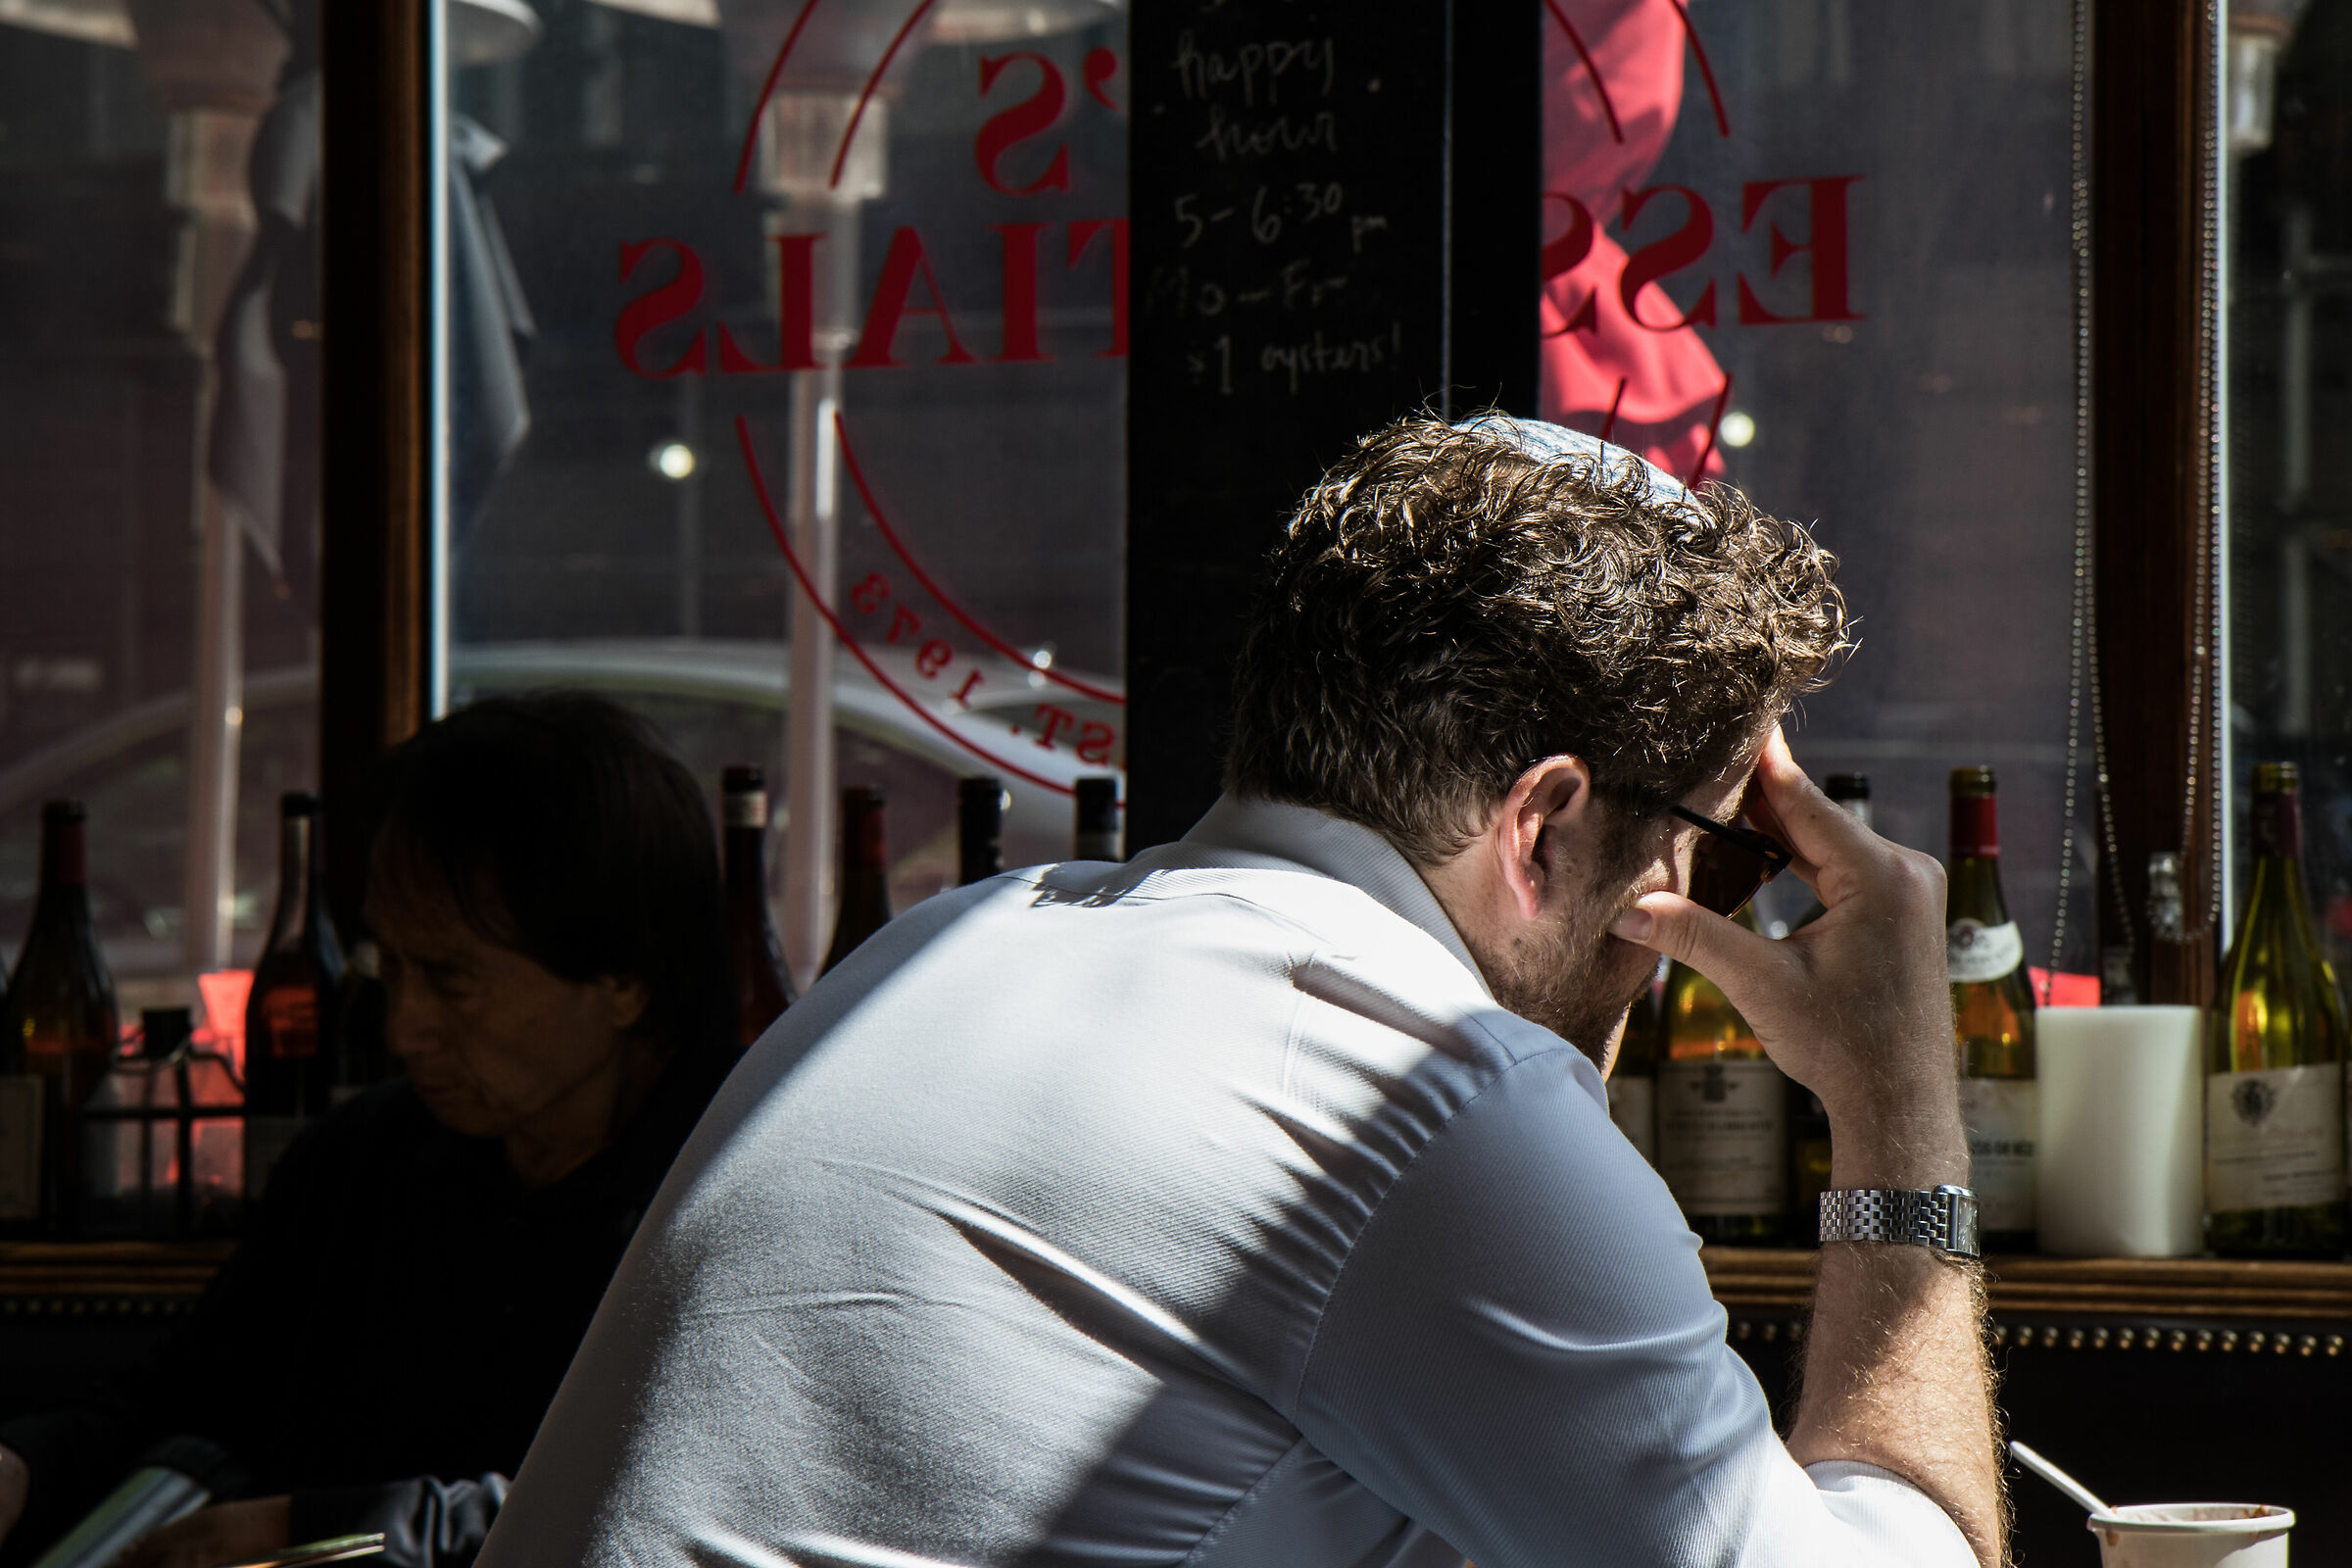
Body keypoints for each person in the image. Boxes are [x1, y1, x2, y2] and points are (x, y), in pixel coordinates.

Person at [473, 416, 2001, 1568]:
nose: (1695, 928)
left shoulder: (947, 946)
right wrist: (1895, 1100)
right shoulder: (1422, 1086)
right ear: (1537, 829)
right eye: (1712, 862)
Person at [0, 694, 741, 1568]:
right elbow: (181, 1398)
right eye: (388, 967)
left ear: (625, 979)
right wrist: (23, 1467)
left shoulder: (732, 1204)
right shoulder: (358, 1163)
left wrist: (315, 1532)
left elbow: (670, 1509)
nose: (404, 1029)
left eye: (450, 980)